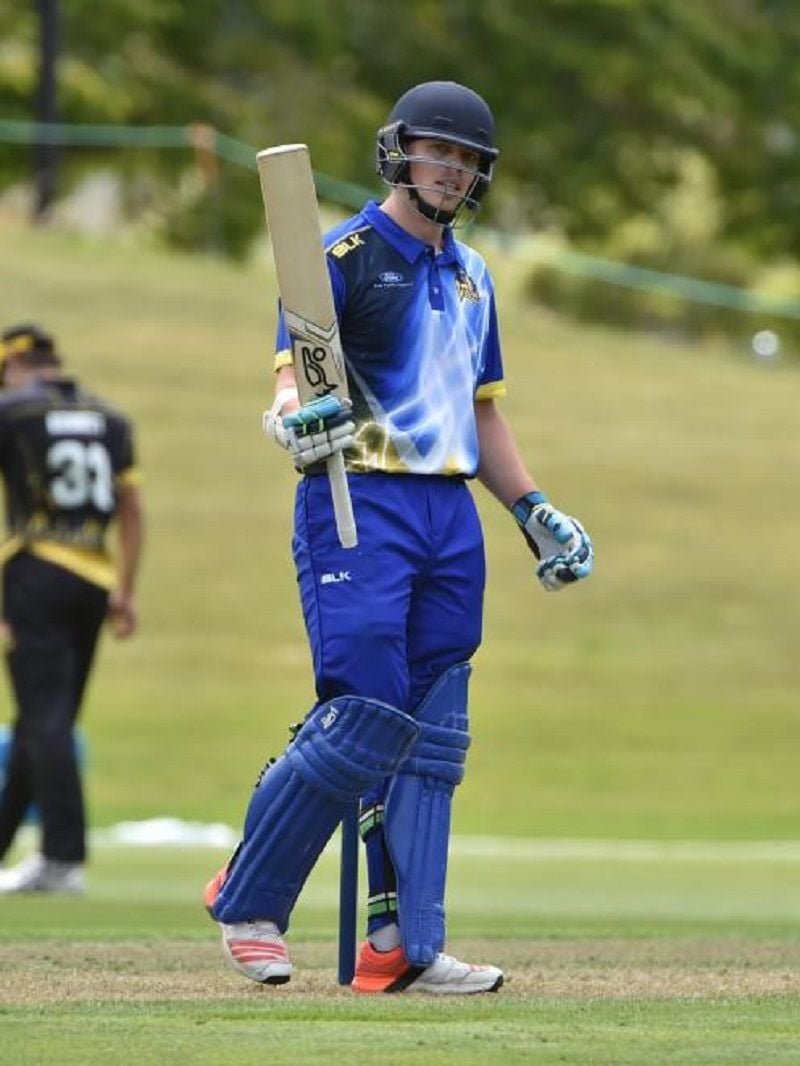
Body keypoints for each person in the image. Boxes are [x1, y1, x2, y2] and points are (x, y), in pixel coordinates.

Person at [205, 81, 594, 993]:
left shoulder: (474, 276)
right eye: (437, 153)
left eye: (466, 161)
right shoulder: (339, 254)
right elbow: (296, 378)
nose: (451, 171)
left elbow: (482, 413)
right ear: (399, 151)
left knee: (433, 731)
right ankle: (250, 898)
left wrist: (534, 508)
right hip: (360, 497)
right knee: (365, 715)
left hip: (449, 511)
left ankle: (403, 949)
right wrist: (288, 421)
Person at [0, 324, 143, 894]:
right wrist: (125, 589)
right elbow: (132, 511)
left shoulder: (11, 413)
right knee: (43, 716)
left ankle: (62, 857)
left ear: (12, 367)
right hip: (94, 577)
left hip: (35, 570)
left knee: (44, 716)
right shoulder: (111, 419)